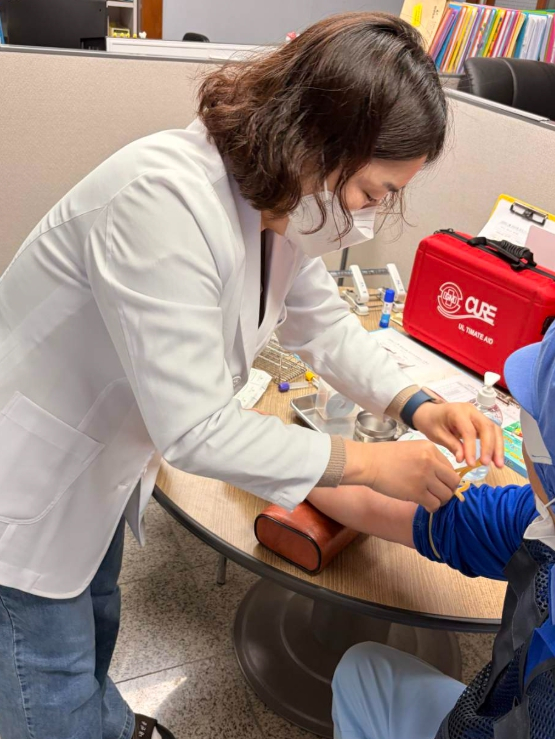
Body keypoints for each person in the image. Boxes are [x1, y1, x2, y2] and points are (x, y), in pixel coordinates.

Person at [0, 13, 503, 739]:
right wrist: (371, 463)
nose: (368, 216)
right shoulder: (162, 200)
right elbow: (197, 431)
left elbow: (321, 322)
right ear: (319, 142)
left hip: (97, 465)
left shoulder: (273, 205)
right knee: (42, 674)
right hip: (26, 484)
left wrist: (416, 403)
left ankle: (103, 722)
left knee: (95, 613)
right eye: (370, 192)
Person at [330, 306, 555, 739]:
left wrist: (277, 456)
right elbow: (381, 509)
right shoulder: (542, 521)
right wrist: (316, 464)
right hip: (490, 718)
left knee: (363, 675)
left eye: (532, 411)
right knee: (364, 670)